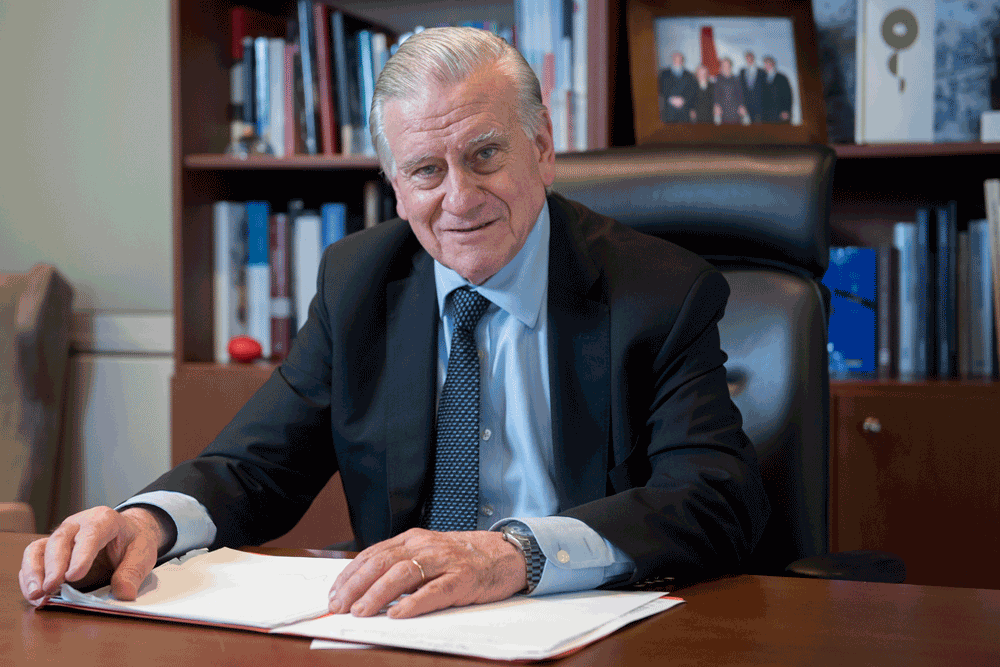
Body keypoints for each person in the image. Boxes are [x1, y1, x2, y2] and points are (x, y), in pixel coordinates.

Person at [19, 27, 769, 620]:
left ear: (542, 150)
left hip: (584, 622)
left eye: (484, 154)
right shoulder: (359, 283)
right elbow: (257, 467)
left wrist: (516, 554)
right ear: (395, 187)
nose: (460, 197)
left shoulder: (660, 291)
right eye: (427, 170)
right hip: (408, 630)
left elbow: (712, 498)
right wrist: (148, 521)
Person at [657, 52, 696, 123]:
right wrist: (671, 99)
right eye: (676, 59)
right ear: (672, 59)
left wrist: (684, 100)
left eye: (680, 59)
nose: (678, 61)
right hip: (669, 110)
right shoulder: (663, 73)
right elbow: (661, 88)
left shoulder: (689, 74)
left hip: (684, 109)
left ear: (682, 60)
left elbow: (692, 90)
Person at [713, 57, 746, 125]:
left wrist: (741, 106)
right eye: (723, 66)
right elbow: (715, 95)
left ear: (730, 66)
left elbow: (740, 95)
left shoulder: (736, 79)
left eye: (727, 65)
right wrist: (716, 105)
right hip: (722, 113)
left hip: (735, 113)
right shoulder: (717, 80)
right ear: (721, 67)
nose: (725, 68)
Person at [761, 55, 793, 124]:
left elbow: (788, 95)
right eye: (765, 63)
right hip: (767, 116)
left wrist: (786, 110)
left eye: (768, 63)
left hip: (780, 114)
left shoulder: (782, 78)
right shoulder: (762, 79)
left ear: (773, 64)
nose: (766, 65)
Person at [739, 51, 765, 124]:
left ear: (753, 58)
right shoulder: (742, 72)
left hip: (759, 106)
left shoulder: (761, 72)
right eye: (747, 58)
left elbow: (765, 90)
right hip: (746, 106)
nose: (749, 59)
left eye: (750, 57)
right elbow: (740, 89)